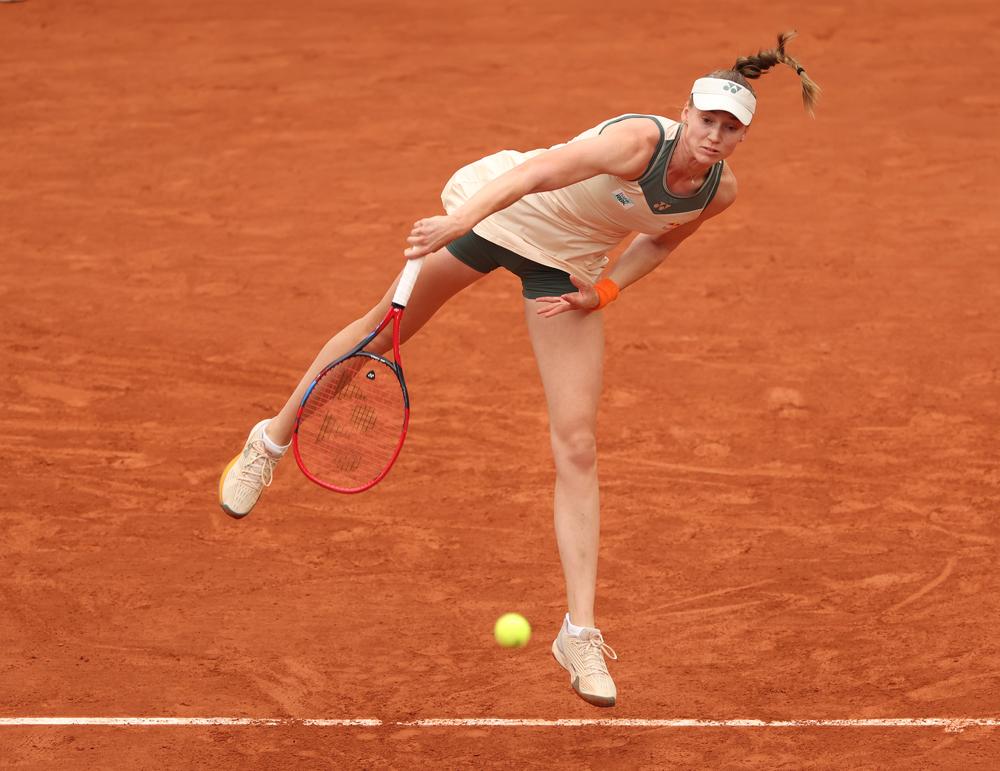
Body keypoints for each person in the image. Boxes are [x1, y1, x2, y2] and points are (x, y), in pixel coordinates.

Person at [218, 32, 819, 708]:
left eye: (729, 128)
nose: (714, 135)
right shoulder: (633, 145)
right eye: (707, 120)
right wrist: (457, 224)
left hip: (566, 268)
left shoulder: (718, 190)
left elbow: (661, 239)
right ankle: (268, 441)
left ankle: (579, 632)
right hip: (501, 217)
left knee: (578, 444)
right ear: (685, 112)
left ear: (741, 138)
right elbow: (533, 174)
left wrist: (606, 291)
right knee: (378, 337)